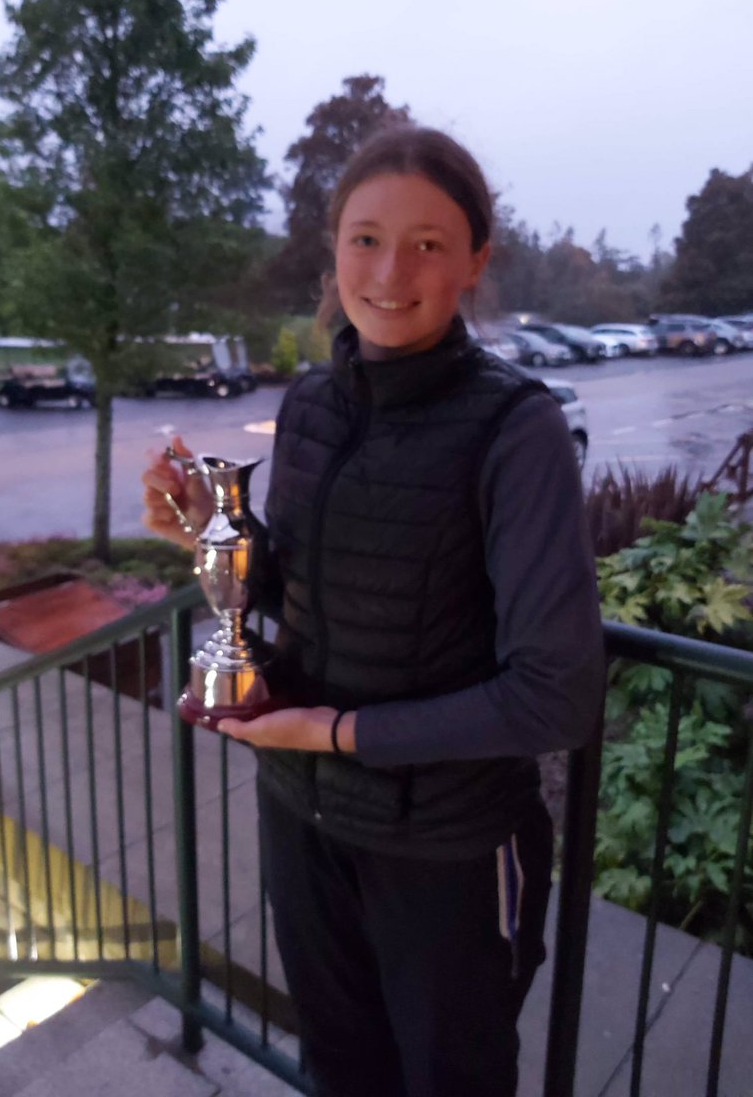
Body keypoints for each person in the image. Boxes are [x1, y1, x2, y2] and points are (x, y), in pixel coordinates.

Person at [142, 125, 605, 1097]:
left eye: (427, 243)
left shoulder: (513, 429)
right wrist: (209, 537)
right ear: (333, 249)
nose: (389, 270)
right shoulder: (311, 402)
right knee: (340, 1072)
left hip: (446, 853)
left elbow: (554, 697)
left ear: (475, 259)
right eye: (363, 238)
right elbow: (291, 592)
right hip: (301, 823)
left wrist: (340, 732)